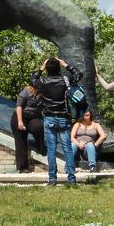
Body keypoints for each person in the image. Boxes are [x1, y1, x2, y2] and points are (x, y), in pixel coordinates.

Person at [31, 57, 79, 185]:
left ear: (47, 69)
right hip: (64, 117)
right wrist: (66, 65)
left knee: (51, 149)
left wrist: (41, 68)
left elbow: (33, 79)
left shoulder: (43, 82)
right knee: (67, 148)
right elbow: (78, 74)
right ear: (59, 68)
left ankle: (52, 179)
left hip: (49, 117)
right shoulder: (65, 80)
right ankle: (71, 178)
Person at [10, 83, 44, 173]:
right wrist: (20, 122)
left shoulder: (43, 93)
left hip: (33, 117)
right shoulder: (26, 91)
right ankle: (23, 167)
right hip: (20, 116)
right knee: (20, 140)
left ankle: (41, 147)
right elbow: (19, 106)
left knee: (39, 127)